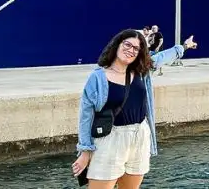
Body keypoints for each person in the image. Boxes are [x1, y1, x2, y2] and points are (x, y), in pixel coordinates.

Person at [73, 29, 197, 189]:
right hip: (110, 139)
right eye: (127, 44)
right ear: (117, 45)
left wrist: (184, 46)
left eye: (136, 48)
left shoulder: (141, 71)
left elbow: (162, 57)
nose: (130, 50)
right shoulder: (98, 77)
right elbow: (86, 115)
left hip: (140, 136)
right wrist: (85, 151)